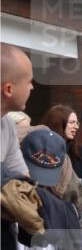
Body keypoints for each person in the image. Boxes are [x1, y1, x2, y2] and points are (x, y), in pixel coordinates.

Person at [1, 43, 32, 179]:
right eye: (29, 82)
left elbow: (22, 178)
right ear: (9, 89)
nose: (32, 87)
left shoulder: (7, 123)